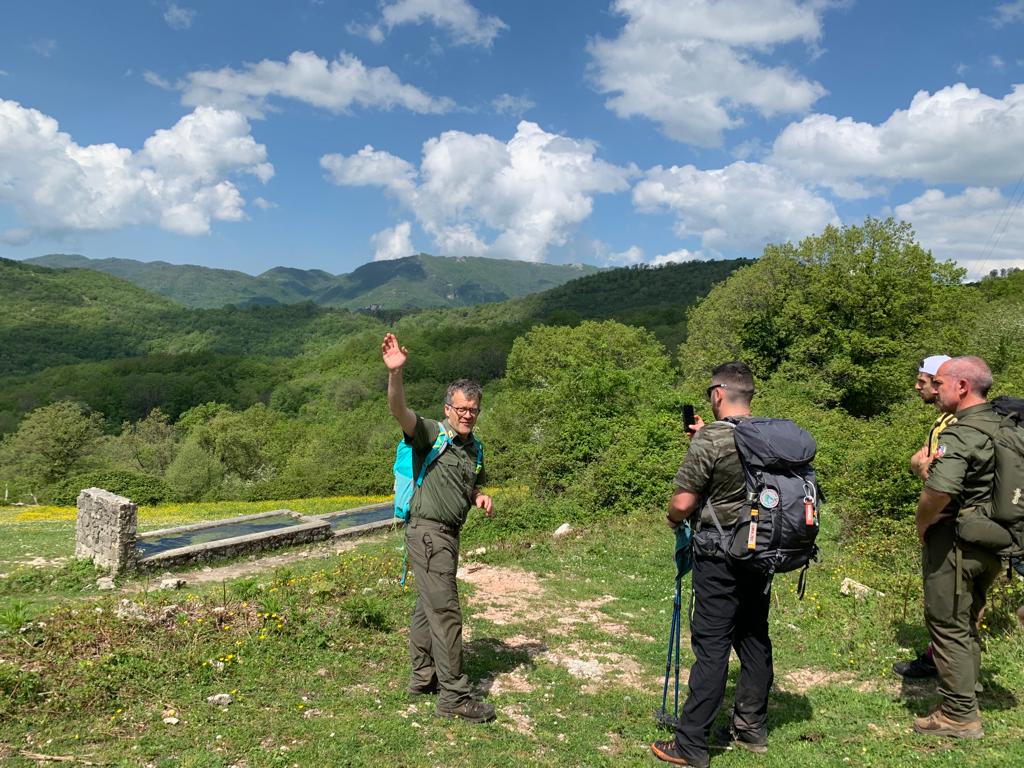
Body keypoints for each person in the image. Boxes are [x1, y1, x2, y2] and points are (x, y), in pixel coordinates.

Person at [651, 362, 772, 768]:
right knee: (753, 634)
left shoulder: (712, 442)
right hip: (762, 551)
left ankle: (691, 744)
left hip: (719, 555)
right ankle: (750, 727)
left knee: (712, 643)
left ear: (718, 394)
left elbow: (684, 502)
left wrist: (671, 519)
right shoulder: (768, 435)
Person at [381, 332, 496, 723]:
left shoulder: (472, 448)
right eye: (462, 408)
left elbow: (467, 482)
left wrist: (477, 496)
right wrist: (396, 374)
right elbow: (400, 411)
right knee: (446, 611)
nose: (467, 415)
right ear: (448, 408)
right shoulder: (430, 433)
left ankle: (423, 677)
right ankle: (454, 697)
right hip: (428, 534)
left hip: (448, 534)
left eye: (473, 409)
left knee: (426, 608)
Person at [913, 356, 1002, 739]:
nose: (935, 389)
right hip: (996, 540)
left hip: (957, 541)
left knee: (947, 623)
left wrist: (922, 522)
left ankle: (959, 715)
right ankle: (968, 689)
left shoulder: (961, 432)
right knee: (967, 619)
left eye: (941, 383)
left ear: (961, 387)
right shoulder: (1004, 426)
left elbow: (940, 492)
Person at [895, 354, 953, 679]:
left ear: (939, 382)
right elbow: (922, 459)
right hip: (943, 520)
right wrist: (921, 464)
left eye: (922, 381)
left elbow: (934, 471)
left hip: (950, 523)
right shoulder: (943, 420)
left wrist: (920, 466)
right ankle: (938, 657)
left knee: (948, 601)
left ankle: (952, 679)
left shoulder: (955, 422)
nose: (917, 387)